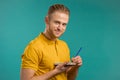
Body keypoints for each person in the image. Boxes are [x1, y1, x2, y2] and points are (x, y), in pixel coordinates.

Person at [20, 4, 82, 80]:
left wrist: (75, 67)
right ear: (47, 20)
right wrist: (56, 71)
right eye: (57, 22)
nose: (60, 28)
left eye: (64, 24)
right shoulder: (33, 47)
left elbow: (68, 78)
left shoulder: (64, 46)